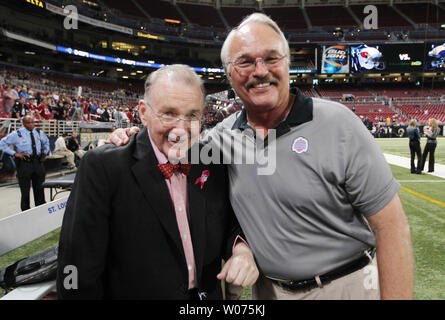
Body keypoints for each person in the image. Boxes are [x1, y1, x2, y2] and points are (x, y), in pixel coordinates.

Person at [109, 13, 413, 300]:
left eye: (271, 58)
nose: (260, 71)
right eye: (244, 62)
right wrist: (128, 138)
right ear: (229, 75)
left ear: (287, 63)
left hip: (345, 286)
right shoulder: (220, 139)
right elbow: (169, 146)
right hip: (267, 292)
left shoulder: (339, 125)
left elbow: (391, 227)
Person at [56, 65, 258, 300]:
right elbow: (79, 266)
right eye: (169, 113)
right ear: (143, 112)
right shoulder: (103, 167)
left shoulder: (212, 161)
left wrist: (241, 249)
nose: (181, 129)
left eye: (192, 115)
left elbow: (231, 222)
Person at [0, 116, 49, 211]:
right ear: (23, 123)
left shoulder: (39, 132)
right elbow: (2, 144)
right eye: (28, 123)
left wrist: (45, 152)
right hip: (24, 163)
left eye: (32, 122)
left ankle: (41, 209)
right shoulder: (17, 134)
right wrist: (15, 153)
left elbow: (46, 142)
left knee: (39, 188)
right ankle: (26, 211)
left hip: (38, 162)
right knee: (25, 190)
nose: (31, 125)